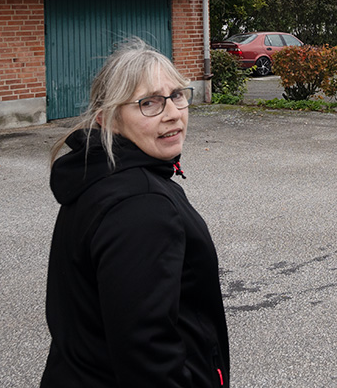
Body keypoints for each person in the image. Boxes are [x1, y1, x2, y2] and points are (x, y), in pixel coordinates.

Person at [41, 38, 230, 386]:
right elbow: (147, 355)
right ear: (109, 120)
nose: (173, 113)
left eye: (176, 95)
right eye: (149, 103)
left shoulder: (98, 179)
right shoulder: (141, 208)